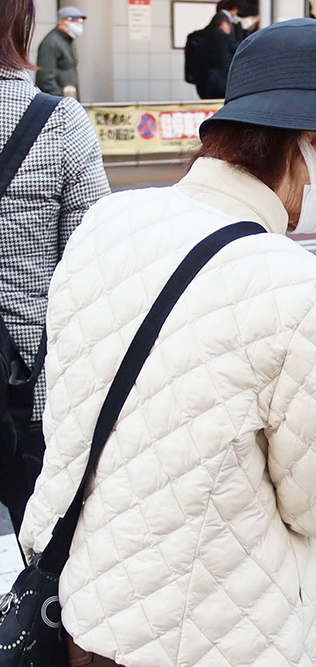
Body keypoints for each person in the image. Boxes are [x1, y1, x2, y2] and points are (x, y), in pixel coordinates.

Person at [19, 19, 316, 667]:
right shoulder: (295, 284)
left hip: (90, 610)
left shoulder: (108, 223)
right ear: (312, 141)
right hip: (220, 630)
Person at [0, 0, 110, 534]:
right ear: (21, 25)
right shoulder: (57, 123)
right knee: (47, 563)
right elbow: (94, 268)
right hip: (31, 389)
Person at [35, 6, 86, 97]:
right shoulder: (51, 42)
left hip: (68, 100)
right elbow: (45, 78)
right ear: (62, 21)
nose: (78, 25)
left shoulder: (67, 41)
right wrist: (60, 95)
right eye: (75, 21)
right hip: (57, 101)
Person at [195, 0, 242, 98]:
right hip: (220, 71)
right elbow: (231, 44)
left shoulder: (213, 25)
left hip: (211, 71)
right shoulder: (222, 20)